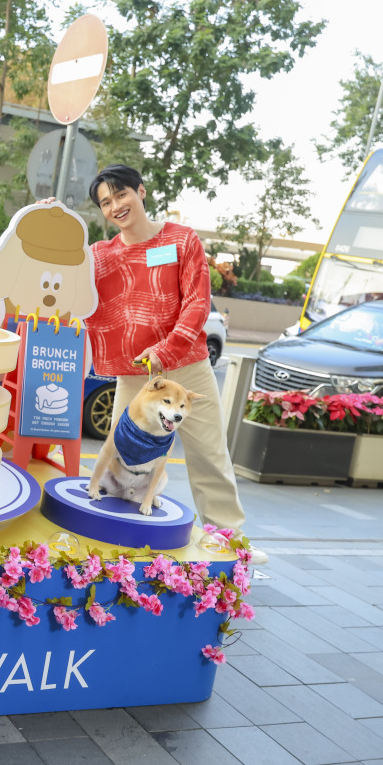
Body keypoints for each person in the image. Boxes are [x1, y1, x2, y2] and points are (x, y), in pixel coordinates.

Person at [84, 164, 266, 563]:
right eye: (106, 202)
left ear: (141, 191)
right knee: (123, 458)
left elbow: (197, 304)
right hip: (137, 378)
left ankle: (231, 542)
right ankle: (125, 542)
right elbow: (59, 269)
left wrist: (165, 351)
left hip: (187, 369)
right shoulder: (99, 256)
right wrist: (49, 218)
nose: (115, 206)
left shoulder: (181, 240)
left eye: (121, 194)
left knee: (209, 456)